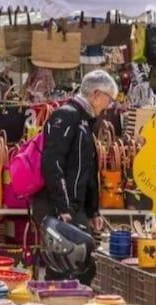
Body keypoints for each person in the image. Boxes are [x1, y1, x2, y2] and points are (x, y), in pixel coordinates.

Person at [32, 70, 114, 285]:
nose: (109, 105)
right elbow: (53, 163)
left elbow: (87, 169)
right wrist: (63, 208)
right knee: (64, 265)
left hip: (73, 206)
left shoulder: (85, 121)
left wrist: (93, 209)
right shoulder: (67, 115)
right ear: (96, 94)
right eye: (109, 98)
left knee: (79, 266)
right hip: (58, 204)